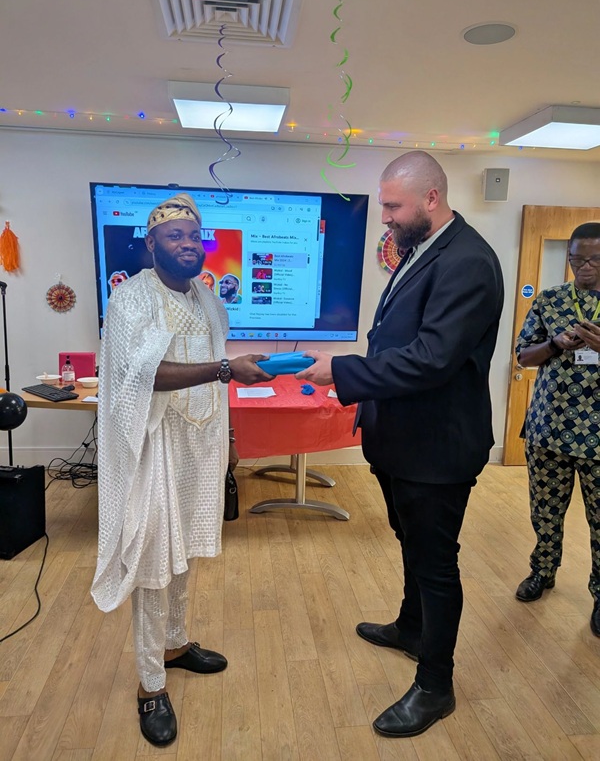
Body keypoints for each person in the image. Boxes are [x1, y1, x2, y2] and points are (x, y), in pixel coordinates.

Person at [297, 151, 504, 738]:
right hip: (401, 441)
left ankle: (436, 686)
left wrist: (344, 370)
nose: (385, 217)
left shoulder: (468, 261)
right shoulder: (424, 248)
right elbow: (394, 336)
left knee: (435, 564)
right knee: (409, 541)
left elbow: (433, 358)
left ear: (431, 198)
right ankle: (412, 628)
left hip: (437, 449)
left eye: (393, 206)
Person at [91, 193, 273, 747]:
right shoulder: (131, 298)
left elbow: (217, 377)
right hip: (151, 448)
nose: (189, 244)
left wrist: (230, 440)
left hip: (198, 446)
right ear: (151, 243)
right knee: (153, 560)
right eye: (176, 236)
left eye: (195, 236)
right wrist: (224, 369)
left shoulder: (210, 301)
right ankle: (150, 684)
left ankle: (174, 644)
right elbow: (143, 375)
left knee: (183, 552)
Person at [514, 222, 600, 638]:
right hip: (549, 427)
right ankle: (542, 570)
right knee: (545, 511)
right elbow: (523, 356)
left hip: (598, 436)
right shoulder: (550, 300)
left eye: (594, 260)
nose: (584, 268)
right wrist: (555, 345)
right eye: (576, 259)